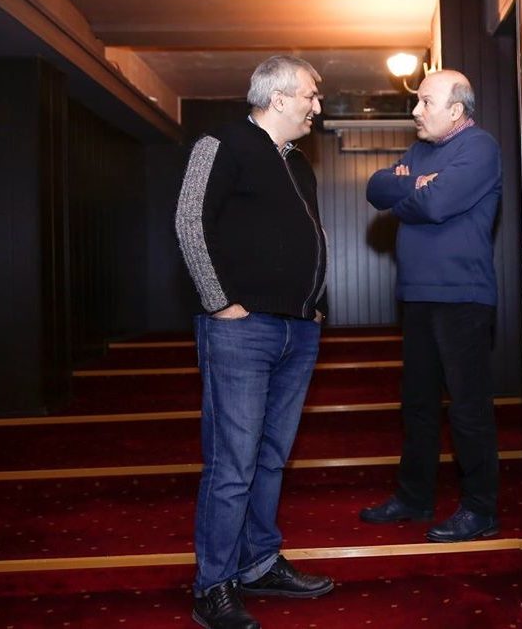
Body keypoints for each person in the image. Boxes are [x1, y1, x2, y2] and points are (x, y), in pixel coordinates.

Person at [175, 55, 333, 629]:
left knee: (270, 458)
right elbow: (190, 220)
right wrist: (220, 303)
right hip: (242, 329)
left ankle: (259, 563)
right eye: (311, 96)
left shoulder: (298, 163)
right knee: (233, 463)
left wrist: (313, 307)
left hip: (297, 328)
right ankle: (213, 585)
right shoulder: (221, 143)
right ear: (279, 97)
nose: (318, 107)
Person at [361, 69, 502, 543]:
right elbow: (376, 189)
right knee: (418, 405)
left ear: (456, 110)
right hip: (416, 295)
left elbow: (434, 205)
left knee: (467, 408)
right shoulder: (421, 151)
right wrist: (418, 183)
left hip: (462, 296)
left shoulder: (479, 147)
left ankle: (480, 509)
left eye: (425, 102)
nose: (415, 111)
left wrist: (412, 190)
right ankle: (414, 497)